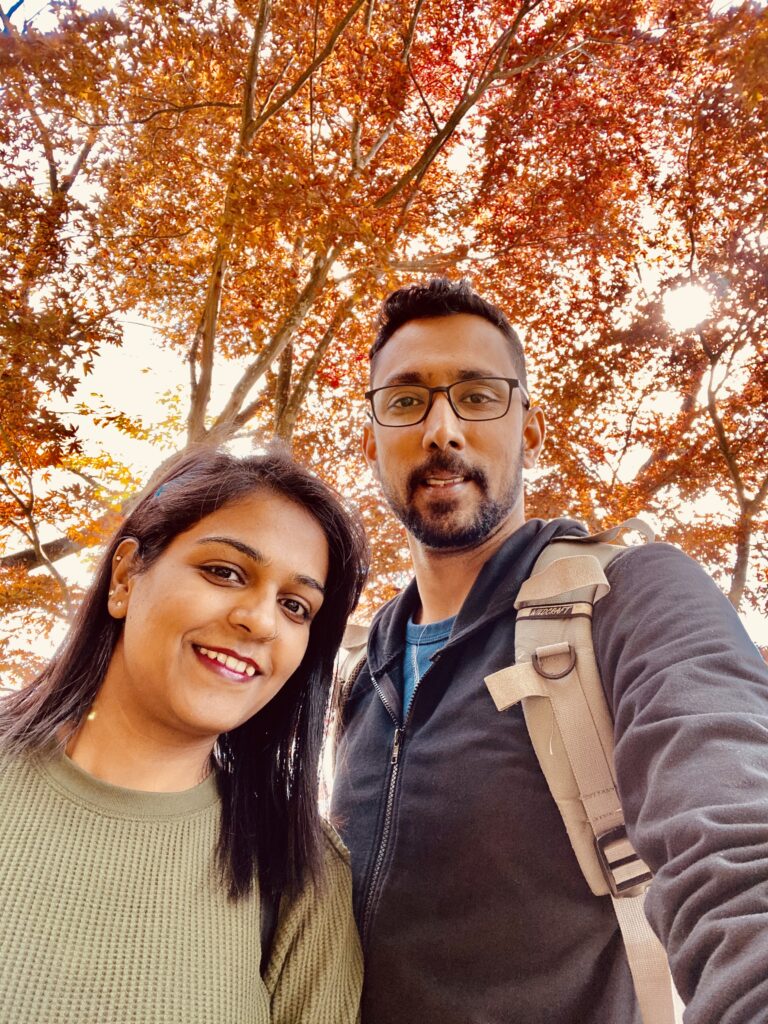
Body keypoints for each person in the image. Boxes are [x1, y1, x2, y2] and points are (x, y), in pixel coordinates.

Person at [331, 277, 768, 1024]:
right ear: (370, 439)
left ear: (529, 429)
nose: (442, 429)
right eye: (406, 401)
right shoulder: (358, 673)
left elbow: (733, 836)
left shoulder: (631, 595)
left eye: (477, 395)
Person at [0, 445, 368, 1024]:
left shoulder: (302, 874)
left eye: (296, 606)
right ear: (124, 577)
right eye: (225, 572)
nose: (261, 620)